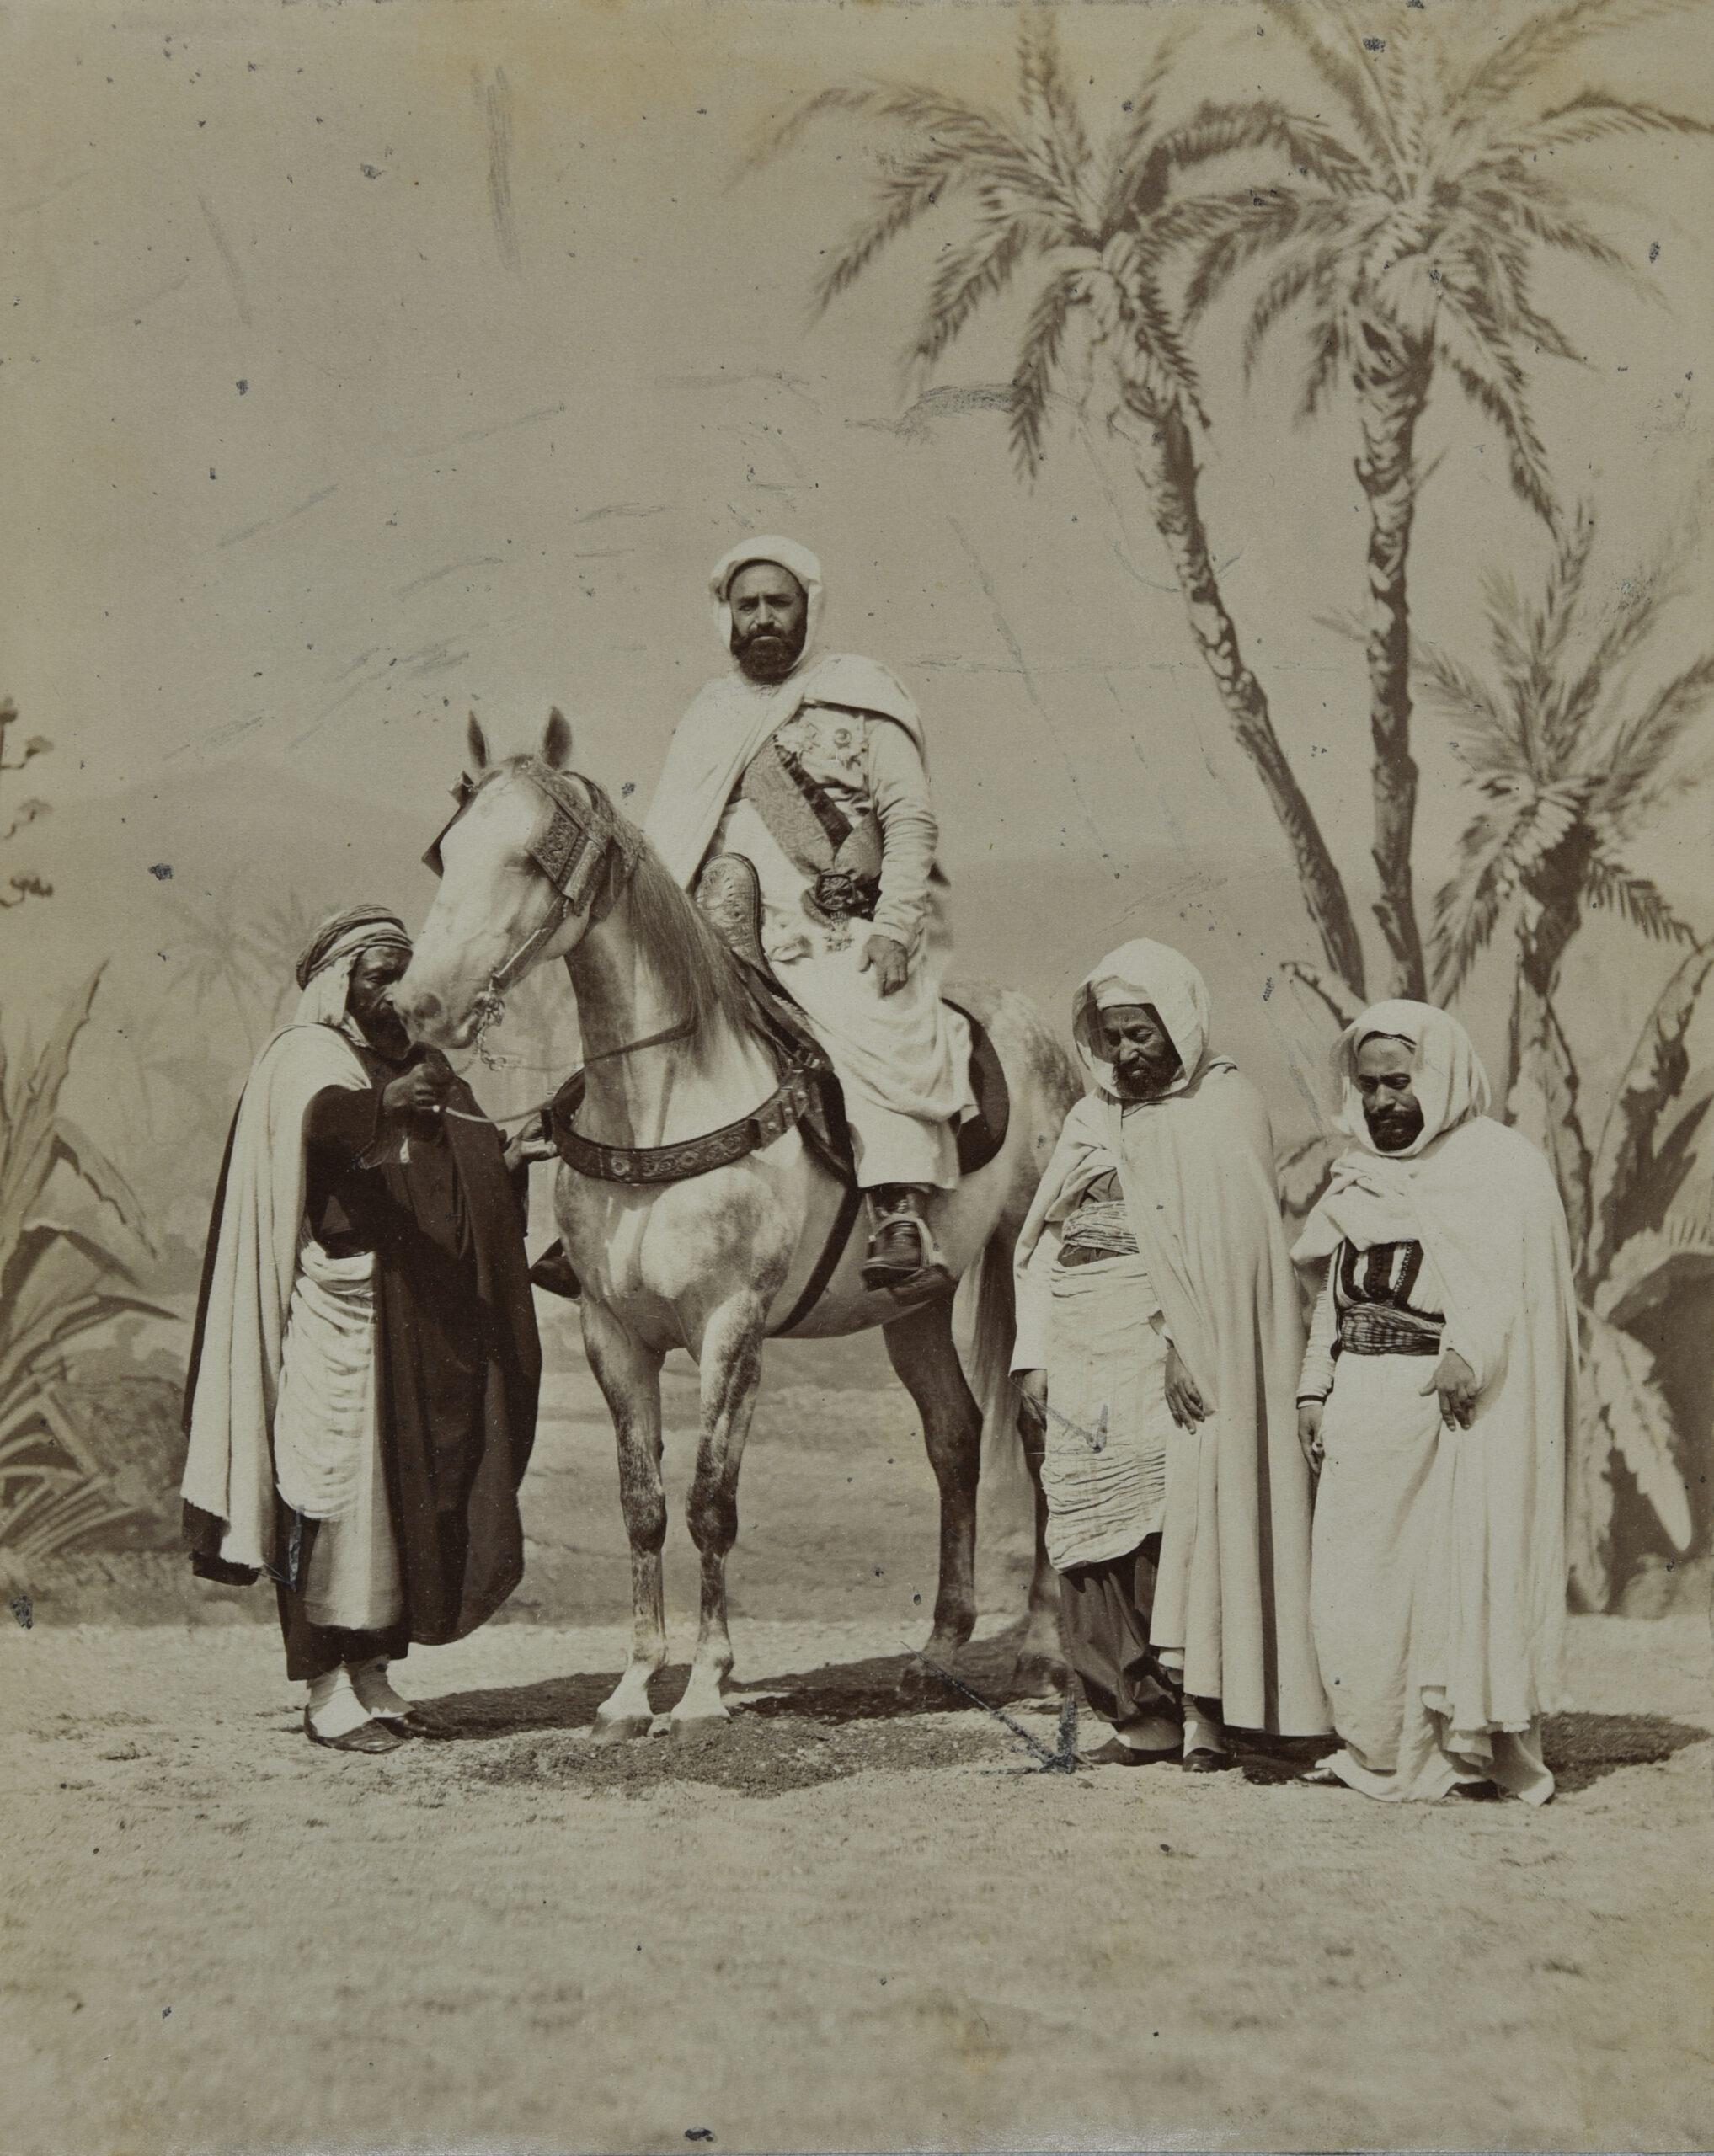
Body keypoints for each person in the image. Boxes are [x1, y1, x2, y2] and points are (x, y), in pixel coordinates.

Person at [180, 905, 544, 1753]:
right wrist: (392, 1103)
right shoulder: (302, 1057)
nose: (396, 990)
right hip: (333, 1312)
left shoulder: (419, 1067)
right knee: (329, 1489)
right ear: (339, 982)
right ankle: (321, 1685)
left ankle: (374, 1670)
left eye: (403, 973)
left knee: (408, 1493)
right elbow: (332, 1123)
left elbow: (465, 1162)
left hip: (408, 1317)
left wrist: (511, 1156)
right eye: (381, 973)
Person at [1012, 942, 1327, 1769]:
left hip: (1170, 1355)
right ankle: (1134, 1716)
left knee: (1172, 1527)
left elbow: (1229, 1258)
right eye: (1111, 1036)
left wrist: (1192, 1345)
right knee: (1086, 1537)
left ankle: (1202, 1718)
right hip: (1080, 1346)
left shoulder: (1223, 1106)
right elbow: (1043, 1242)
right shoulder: (1091, 1118)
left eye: (1140, 1034)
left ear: (1177, 1023)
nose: (1126, 1053)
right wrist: (1032, 1353)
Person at [643, 536, 975, 1298]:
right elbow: (672, 835)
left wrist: (893, 928)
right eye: (746, 605)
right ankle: (605, 1216)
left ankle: (897, 1207)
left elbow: (908, 819)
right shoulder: (710, 711)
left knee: (874, 1016)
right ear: (725, 615)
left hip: (831, 931)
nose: (761, 618)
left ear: (808, 609)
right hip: (712, 932)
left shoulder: (863, 693)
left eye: (778, 603)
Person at [1293, 1001, 1575, 1803]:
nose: (1382, 1102)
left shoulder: (1497, 1165)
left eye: (1398, 1082)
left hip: (1445, 1422)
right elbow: (1332, 1299)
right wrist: (1315, 1388)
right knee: (1351, 1593)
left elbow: (1506, 1292)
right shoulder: (1359, 1174)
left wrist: (1466, 1353)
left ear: (1440, 1077)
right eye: (1369, 1085)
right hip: (1358, 1413)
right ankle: (1370, 1751)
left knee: (1437, 1591)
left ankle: (1454, 1758)